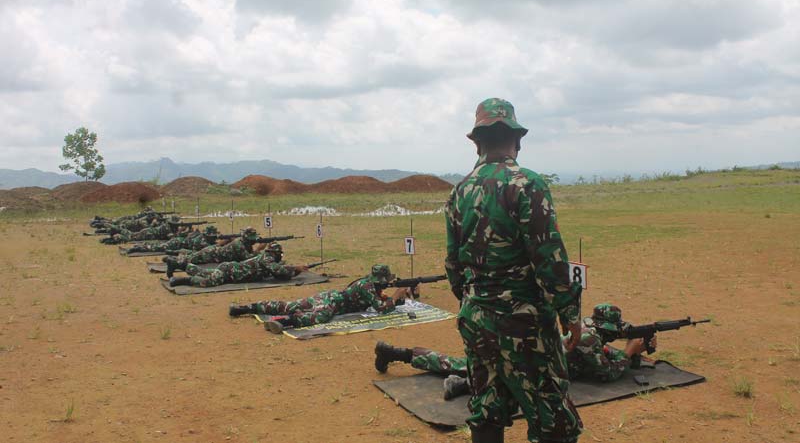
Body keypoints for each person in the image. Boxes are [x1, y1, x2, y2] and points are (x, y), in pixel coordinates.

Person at [445, 98, 583, 443]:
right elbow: (549, 260)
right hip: (524, 323)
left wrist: (476, 301)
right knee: (553, 419)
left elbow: (453, 264)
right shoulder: (528, 185)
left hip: (476, 317)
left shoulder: (459, 191)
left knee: (487, 408)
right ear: (516, 140)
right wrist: (570, 314)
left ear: (477, 142)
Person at [373, 303, 656, 400]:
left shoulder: (584, 328)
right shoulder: (590, 339)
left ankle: (396, 353)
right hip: (529, 367)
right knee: (499, 383)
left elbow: (598, 354)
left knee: (454, 361)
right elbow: (607, 373)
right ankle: (463, 385)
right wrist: (629, 351)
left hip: (516, 348)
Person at [228, 264, 415, 334]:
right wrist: (396, 295)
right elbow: (382, 310)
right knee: (318, 317)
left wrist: (396, 297)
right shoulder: (366, 286)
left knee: (289, 305)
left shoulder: (370, 285)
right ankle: (283, 321)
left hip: (329, 295)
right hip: (332, 302)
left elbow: (381, 302)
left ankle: (245, 308)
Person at [168, 247, 303, 288]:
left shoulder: (266, 258)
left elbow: (279, 274)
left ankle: (180, 264)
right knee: (209, 282)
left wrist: (294, 271)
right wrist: (296, 269)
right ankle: (182, 280)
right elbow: (279, 271)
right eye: (280, 254)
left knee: (202, 271)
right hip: (230, 272)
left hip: (229, 270)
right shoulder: (267, 258)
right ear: (275, 253)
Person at [162, 227, 263, 277]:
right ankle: (173, 262)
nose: (254, 240)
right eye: (252, 238)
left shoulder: (245, 244)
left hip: (214, 254)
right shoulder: (239, 244)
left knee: (192, 256)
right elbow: (247, 258)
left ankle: (174, 258)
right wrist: (259, 250)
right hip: (212, 254)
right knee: (190, 260)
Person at [125, 225, 219, 254]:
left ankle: (140, 246)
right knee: (158, 248)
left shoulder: (202, 237)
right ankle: (138, 248)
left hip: (178, 241)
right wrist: (219, 244)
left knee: (158, 246)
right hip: (176, 243)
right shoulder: (201, 240)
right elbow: (206, 249)